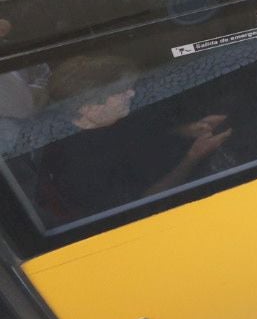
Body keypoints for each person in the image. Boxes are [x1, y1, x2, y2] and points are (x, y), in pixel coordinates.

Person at [36, 54, 233, 219]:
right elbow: (142, 206)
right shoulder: (79, 167)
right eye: (120, 91)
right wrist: (193, 157)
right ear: (88, 107)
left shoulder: (114, 116)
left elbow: (141, 136)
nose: (131, 93)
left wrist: (186, 130)